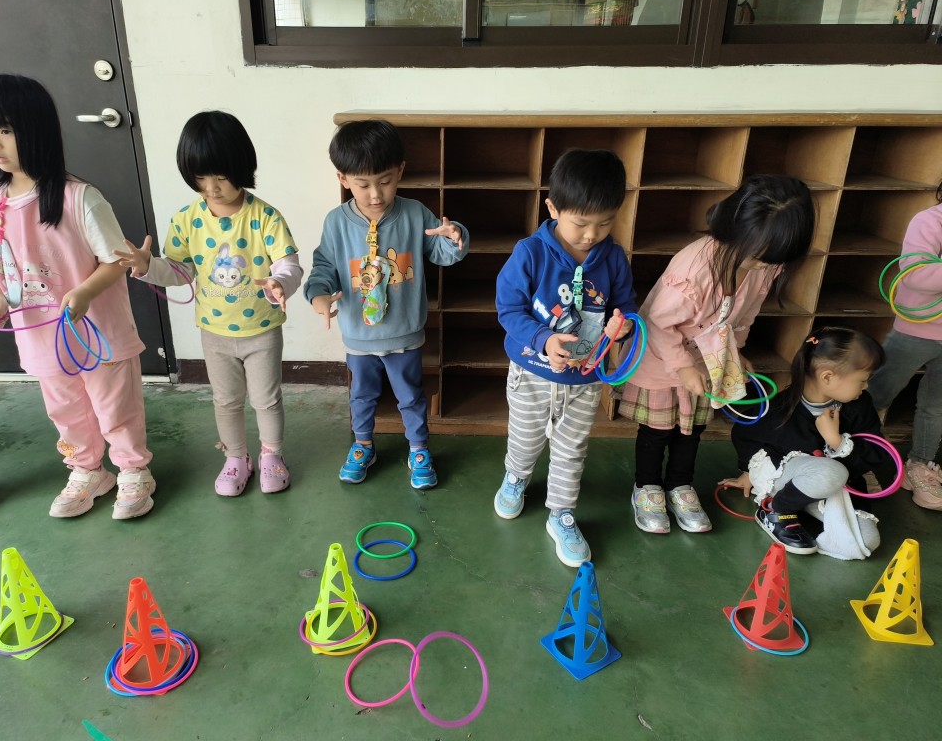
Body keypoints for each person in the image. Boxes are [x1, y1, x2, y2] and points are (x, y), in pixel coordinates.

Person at [0, 74, 155, 520]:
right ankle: (87, 470)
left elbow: (117, 261)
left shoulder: (78, 197)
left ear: (37, 130)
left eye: (5, 130)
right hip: (41, 337)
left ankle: (133, 470)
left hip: (99, 334)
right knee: (66, 411)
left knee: (115, 407)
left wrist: (85, 291)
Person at [116, 111, 301, 496]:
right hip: (214, 332)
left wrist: (281, 282)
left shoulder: (265, 217)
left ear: (242, 168)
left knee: (266, 400)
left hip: (262, 330)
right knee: (226, 400)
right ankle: (236, 458)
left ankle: (271, 455)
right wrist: (148, 267)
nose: (212, 188)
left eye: (221, 176)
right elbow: (180, 271)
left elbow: (288, 263)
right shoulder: (187, 219)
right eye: (201, 178)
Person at [619, 174, 815, 535]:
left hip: (707, 362)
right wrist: (683, 367)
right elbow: (658, 323)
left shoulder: (765, 266)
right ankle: (646, 487)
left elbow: (744, 316)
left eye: (774, 259)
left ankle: (680, 484)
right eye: (759, 256)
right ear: (736, 230)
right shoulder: (694, 270)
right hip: (662, 360)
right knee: (657, 431)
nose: (765, 266)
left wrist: (736, 352)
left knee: (692, 430)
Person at [304, 119, 468, 490]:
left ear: (400, 172)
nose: (376, 194)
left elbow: (441, 252)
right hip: (358, 338)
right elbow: (324, 267)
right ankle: (363, 445)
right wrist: (318, 295)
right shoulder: (336, 222)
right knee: (361, 395)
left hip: (405, 335)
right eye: (363, 184)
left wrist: (454, 236)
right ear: (343, 178)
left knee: (410, 396)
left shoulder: (414, 213)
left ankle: (419, 448)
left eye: (386, 181)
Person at [493, 149, 636, 568]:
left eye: (605, 223)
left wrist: (624, 326)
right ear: (553, 208)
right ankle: (516, 476)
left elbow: (625, 306)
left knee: (572, 450)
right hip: (531, 372)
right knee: (525, 440)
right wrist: (543, 339)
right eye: (581, 223)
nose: (592, 235)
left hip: (585, 380)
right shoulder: (529, 253)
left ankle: (561, 512)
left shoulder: (613, 257)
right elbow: (508, 310)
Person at [720, 327, 887, 559]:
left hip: (836, 486)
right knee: (832, 471)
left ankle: (801, 508)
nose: (865, 386)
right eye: (862, 380)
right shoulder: (782, 407)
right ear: (827, 377)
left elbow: (877, 453)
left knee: (866, 542)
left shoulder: (859, 405)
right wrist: (749, 470)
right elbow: (744, 432)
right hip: (794, 481)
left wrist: (837, 441)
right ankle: (775, 509)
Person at [867, 183, 942, 511]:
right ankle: (853, 454)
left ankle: (921, 465)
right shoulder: (930, 221)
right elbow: (915, 275)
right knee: (876, 393)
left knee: (937, 406)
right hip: (916, 331)